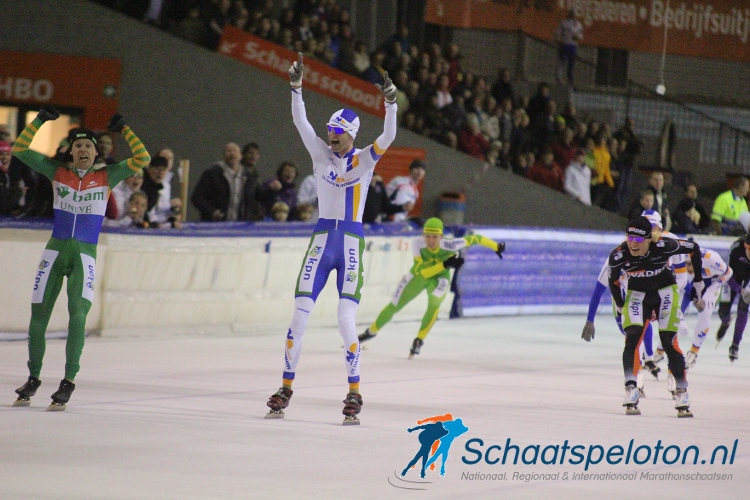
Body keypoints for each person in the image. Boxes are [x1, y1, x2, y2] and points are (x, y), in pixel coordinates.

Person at [265, 53, 398, 424]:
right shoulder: (319, 154)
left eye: (337, 137)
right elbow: (299, 121)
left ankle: (355, 392)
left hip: (351, 242)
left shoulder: (365, 161)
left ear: (351, 136)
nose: (330, 141)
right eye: (329, 135)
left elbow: (389, 135)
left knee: (345, 320)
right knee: (300, 315)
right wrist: (296, 89)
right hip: (323, 239)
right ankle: (286, 386)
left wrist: (391, 103)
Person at [11, 107, 150, 410]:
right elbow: (19, 149)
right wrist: (39, 121)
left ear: (96, 151)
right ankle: (33, 377)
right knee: (38, 318)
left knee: (78, 313)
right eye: (77, 146)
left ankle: (68, 380)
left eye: (88, 145)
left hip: (85, 254)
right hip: (55, 250)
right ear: (71, 152)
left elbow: (143, 159)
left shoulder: (107, 175)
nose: (82, 149)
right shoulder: (57, 171)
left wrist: (125, 128)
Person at [358, 217, 504, 357]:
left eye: (435, 237)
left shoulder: (450, 245)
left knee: (434, 304)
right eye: (428, 236)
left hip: (440, 278)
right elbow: (421, 271)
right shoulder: (417, 243)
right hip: (419, 276)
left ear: (441, 237)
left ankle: (419, 339)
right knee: (394, 305)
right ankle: (371, 331)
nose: (431, 241)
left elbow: (475, 239)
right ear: (423, 235)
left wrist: (496, 246)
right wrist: (445, 265)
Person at [607, 216, 702, 417]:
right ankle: (631, 388)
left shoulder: (664, 244)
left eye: (639, 240)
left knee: (668, 341)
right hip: (638, 295)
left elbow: (694, 248)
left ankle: (681, 391)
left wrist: (699, 282)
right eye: (630, 238)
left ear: (650, 239)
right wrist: (621, 303)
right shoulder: (618, 254)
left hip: (665, 291)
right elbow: (613, 281)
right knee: (632, 337)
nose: (633, 243)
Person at [681, 248, 732, 369]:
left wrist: (711, 290)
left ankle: (694, 350)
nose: (687, 267)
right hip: (698, 279)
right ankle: (660, 350)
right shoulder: (683, 260)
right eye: (686, 264)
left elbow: (729, 272)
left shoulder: (712, 260)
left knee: (705, 312)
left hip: (713, 281)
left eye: (690, 264)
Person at [191, 142, 252, 221]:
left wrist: (271, 189)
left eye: (235, 151)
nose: (232, 153)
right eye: (228, 151)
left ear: (241, 156)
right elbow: (196, 198)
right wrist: (212, 212)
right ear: (224, 156)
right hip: (215, 224)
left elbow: (259, 195)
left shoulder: (248, 177)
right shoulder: (211, 174)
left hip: (239, 225)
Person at [716, 233, 750, 363]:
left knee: (743, 307)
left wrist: (745, 292)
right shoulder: (736, 249)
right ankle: (726, 322)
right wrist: (738, 289)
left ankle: (735, 345)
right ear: (746, 246)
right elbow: (727, 275)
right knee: (723, 311)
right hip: (732, 276)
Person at [555, 9, 583, 86]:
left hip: (573, 45)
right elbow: (557, 33)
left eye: (574, 14)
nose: (573, 16)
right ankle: (559, 76)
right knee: (562, 61)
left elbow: (580, 36)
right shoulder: (564, 23)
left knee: (571, 63)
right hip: (565, 44)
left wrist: (577, 37)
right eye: (572, 14)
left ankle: (570, 79)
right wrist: (559, 42)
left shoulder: (578, 24)